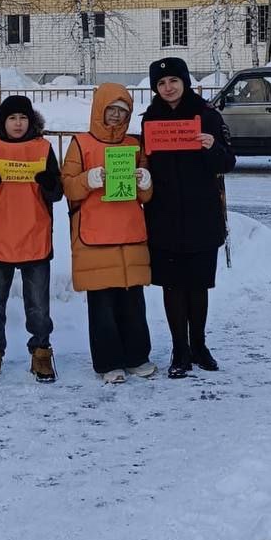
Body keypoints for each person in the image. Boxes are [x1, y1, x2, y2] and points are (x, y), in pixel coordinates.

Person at [142, 58, 235, 378]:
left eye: (173, 81)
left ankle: (199, 345)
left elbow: (228, 162)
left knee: (197, 285)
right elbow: (145, 162)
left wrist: (212, 147)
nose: (167, 88)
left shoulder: (207, 115)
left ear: (185, 81)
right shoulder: (151, 119)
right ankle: (179, 349)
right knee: (172, 286)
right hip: (163, 216)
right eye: (161, 83)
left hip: (201, 215)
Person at [61, 83, 156, 384]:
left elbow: (147, 196)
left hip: (130, 234)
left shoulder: (134, 144)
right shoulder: (81, 144)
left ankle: (137, 357)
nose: (116, 115)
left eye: (122, 111)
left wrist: (145, 182)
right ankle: (108, 362)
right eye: (111, 109)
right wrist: (87, 179)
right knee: (102, 305)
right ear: (99, 109)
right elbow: (68, 187)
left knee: (133, 302)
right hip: (94, 235)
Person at [0, 95, 63, 385]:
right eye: (12, 118)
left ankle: (41, 351)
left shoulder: (43, 148)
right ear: (3, 122)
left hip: (35, 235)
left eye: (23, 117)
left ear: (31, 120)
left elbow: (56, 194)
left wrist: (49, 184)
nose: (18, 123)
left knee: (38, 306)